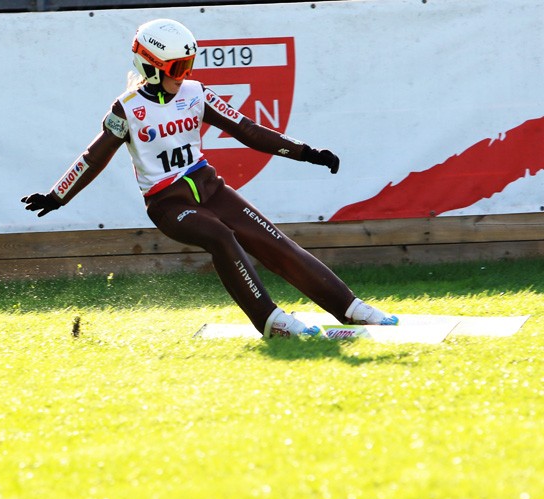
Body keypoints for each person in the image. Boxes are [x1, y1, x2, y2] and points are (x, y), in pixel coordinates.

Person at [21, 18, 398, 338]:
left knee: (273, 241)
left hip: (210, 188)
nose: (186, 75)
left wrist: (307, 152)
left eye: (189, 65)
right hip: (168, 204)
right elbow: (94, 158)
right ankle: (270, 320)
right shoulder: (127, 110)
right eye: (178, 68)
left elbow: (248, 131)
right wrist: (57, 196)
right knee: (221, 236)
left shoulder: (196, 93)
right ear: (151, 67)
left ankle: (351, 309)